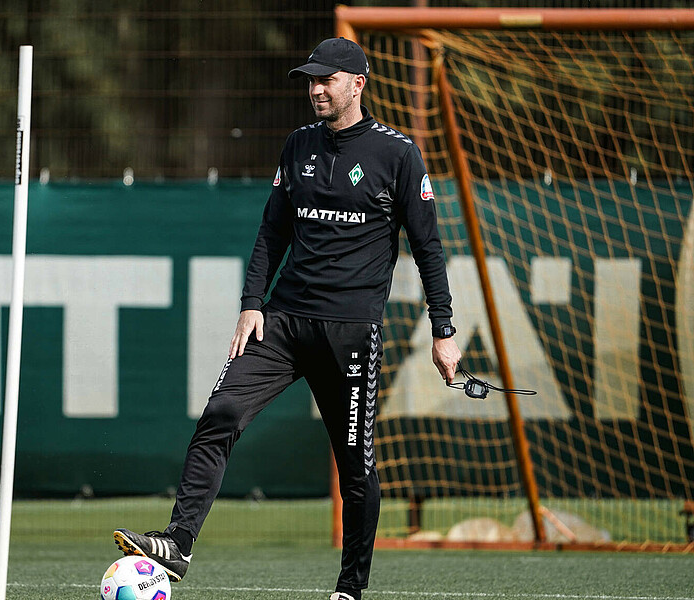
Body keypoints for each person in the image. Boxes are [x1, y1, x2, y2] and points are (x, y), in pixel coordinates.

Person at [113, 37, 462, 600]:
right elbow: (272, 231)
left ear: (358, 84)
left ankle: (350, 587)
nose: (316, 89)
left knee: (356, 469)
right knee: (219, 414)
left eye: (327, 79)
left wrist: (444, 331)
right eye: (311, 79)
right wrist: (252, 303)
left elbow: (429, 249)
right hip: (282, 323)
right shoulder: (298, 144)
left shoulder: (397, 154)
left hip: (350, 335)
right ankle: (178, 545)